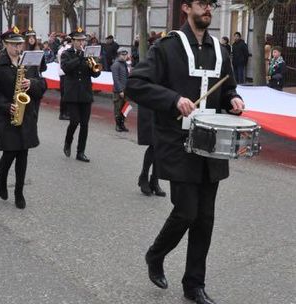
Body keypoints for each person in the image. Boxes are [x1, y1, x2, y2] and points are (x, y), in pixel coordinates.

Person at [125, 0, 245, 303]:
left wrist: (234, 99)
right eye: (202, 3)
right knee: (187, 211)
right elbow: (135, 84)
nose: (208, 9)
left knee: (205, 218)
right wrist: (173, 99)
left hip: (212, 145)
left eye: (212, 4)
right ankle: (156, 254)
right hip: (179, 145)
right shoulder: (167, 47)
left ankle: (194, 285)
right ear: (186, 7)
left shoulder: (222, 50)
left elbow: (228, 88)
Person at [0, 26, 47, 209]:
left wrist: (31, 83)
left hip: (26, 115)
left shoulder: (29, 63)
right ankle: (2, 178)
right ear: (5, 44)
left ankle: (19, 192)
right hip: (7, 116)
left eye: (19, 44)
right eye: (13, 44)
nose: (18, 48)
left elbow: (43, 85)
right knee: (10, 153)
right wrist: (5, 106)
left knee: (23, 153)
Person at [61, 27, 101, 163]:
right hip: (72, 93)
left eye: (83, 40)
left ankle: (81, 152)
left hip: (85, 93)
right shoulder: (67, 54)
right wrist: (79, 57)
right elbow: (66, 68)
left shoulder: (88, 55)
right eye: (78, 41)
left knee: (85, 124)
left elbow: (95, 74)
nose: (81, 43)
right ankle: (68, 141)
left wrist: (95, 65)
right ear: (72, 41)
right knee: (74, 121)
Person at [111, 48, 130, 132]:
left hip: (125, 89)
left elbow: (126, 76)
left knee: (125, 108)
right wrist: (120, 90)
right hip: (118, 91)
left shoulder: (124, 64)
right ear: (119, 55)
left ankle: (122, 124)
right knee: (118, 109)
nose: (125, 56)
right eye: (123, 55)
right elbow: (116, 79)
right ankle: (118, 125)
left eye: (126, 54)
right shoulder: (116, 65)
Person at [57, 37, 72, 120]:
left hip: (64, 74)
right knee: (64, 95)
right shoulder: (63, 50)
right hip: (63, 74)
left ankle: (67, 112)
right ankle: (63, 113)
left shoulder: (63, 49)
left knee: (67, 94)